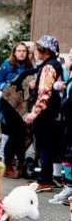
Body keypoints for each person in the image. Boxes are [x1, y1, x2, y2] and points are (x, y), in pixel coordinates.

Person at [25, 35, 63, 192]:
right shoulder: (51, 65)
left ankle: (44, 181)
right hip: (50, 113)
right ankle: (44, 179)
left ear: (46, 51)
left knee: (44, 146)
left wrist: (34, 113)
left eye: (38, 48)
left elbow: (44, 93)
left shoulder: (48, 67)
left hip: (45, 115)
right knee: (46, 146)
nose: (35, 51)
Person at [0, 42, 34, 179]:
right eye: (19, 51)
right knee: (12, 135)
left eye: (24, 51)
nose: (22, 53)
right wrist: (10, 87)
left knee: (22, 135)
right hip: (9, 105)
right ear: (14, 52)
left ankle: (21, 165)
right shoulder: (7, 65)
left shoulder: (30, 66)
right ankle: (8, 166)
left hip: (23, 105)